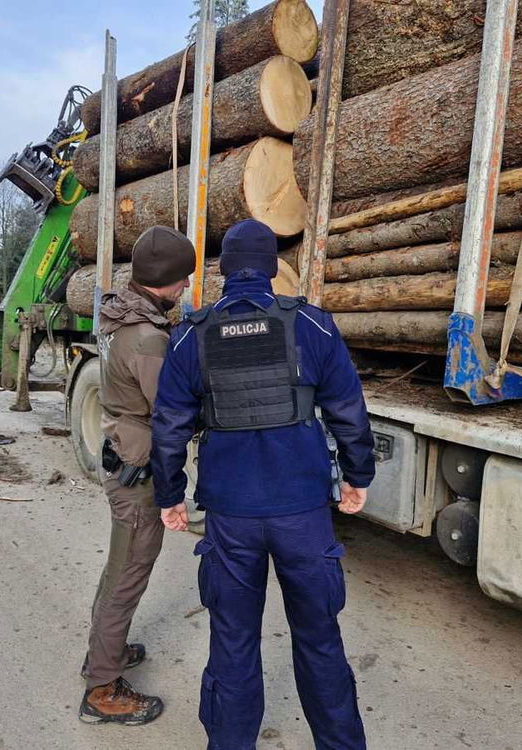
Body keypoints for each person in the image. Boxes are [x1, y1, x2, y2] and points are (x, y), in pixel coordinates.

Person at [150, 219, 376, 749]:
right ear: (273, 268)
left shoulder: (190, 335)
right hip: (303, 515)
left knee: (232, 645)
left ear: (224, 270)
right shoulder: (314, 326)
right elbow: (349, 411)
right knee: (320, 641)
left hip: (231, 518)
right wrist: (357, 476)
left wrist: (170, 495)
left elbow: (168, 428)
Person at [79, 225, 196, 726]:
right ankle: (102, 689)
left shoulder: (117, 316)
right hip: (137, 470)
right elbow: (170, 411)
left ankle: (106, 652)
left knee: (120, 568)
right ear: (165, 279)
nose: (186, 287)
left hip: (120, 452)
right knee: (127, 575)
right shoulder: (148, 339)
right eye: (183, 279)